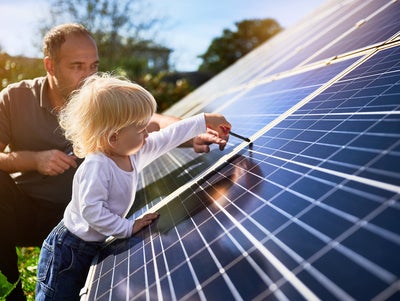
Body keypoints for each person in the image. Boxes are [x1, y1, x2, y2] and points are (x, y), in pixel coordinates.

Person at [0, 23, 229, 301]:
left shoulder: (121, 132)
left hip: (90, 225)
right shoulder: (17, 101)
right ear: (50, 65)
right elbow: (92, 211)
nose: (87, 76)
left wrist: (200, 124)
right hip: (66, 239)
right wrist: (33, 160)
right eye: (77, 66)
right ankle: (9, 290)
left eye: (93, 66)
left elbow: (160, 131)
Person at [35, 72, 231, 300]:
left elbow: (168, 136)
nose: (147, 133)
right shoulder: (97, 166)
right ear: (113, 137)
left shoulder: (133, 152)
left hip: (91, 243)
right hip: (69, 250)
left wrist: (204, 120)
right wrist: (128, 228)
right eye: (140, 129)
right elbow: (92, 211)